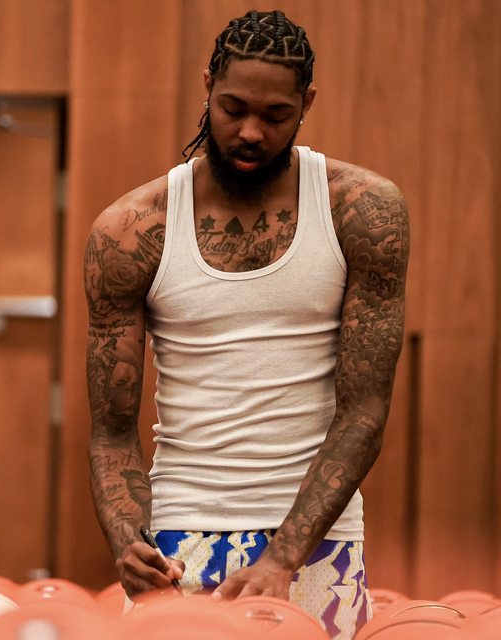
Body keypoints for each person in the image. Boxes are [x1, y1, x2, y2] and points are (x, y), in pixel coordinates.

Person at [84, 9, 409, 639]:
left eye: (276, 115)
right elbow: (111, 433)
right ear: (207, 85)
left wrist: (284, 557)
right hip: (177, 538)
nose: (251, 132)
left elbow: (364, 411)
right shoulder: (130, 231)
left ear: (307, 103)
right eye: (233, 109)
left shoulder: (364, 212)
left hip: (317, 538)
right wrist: (129, 543)